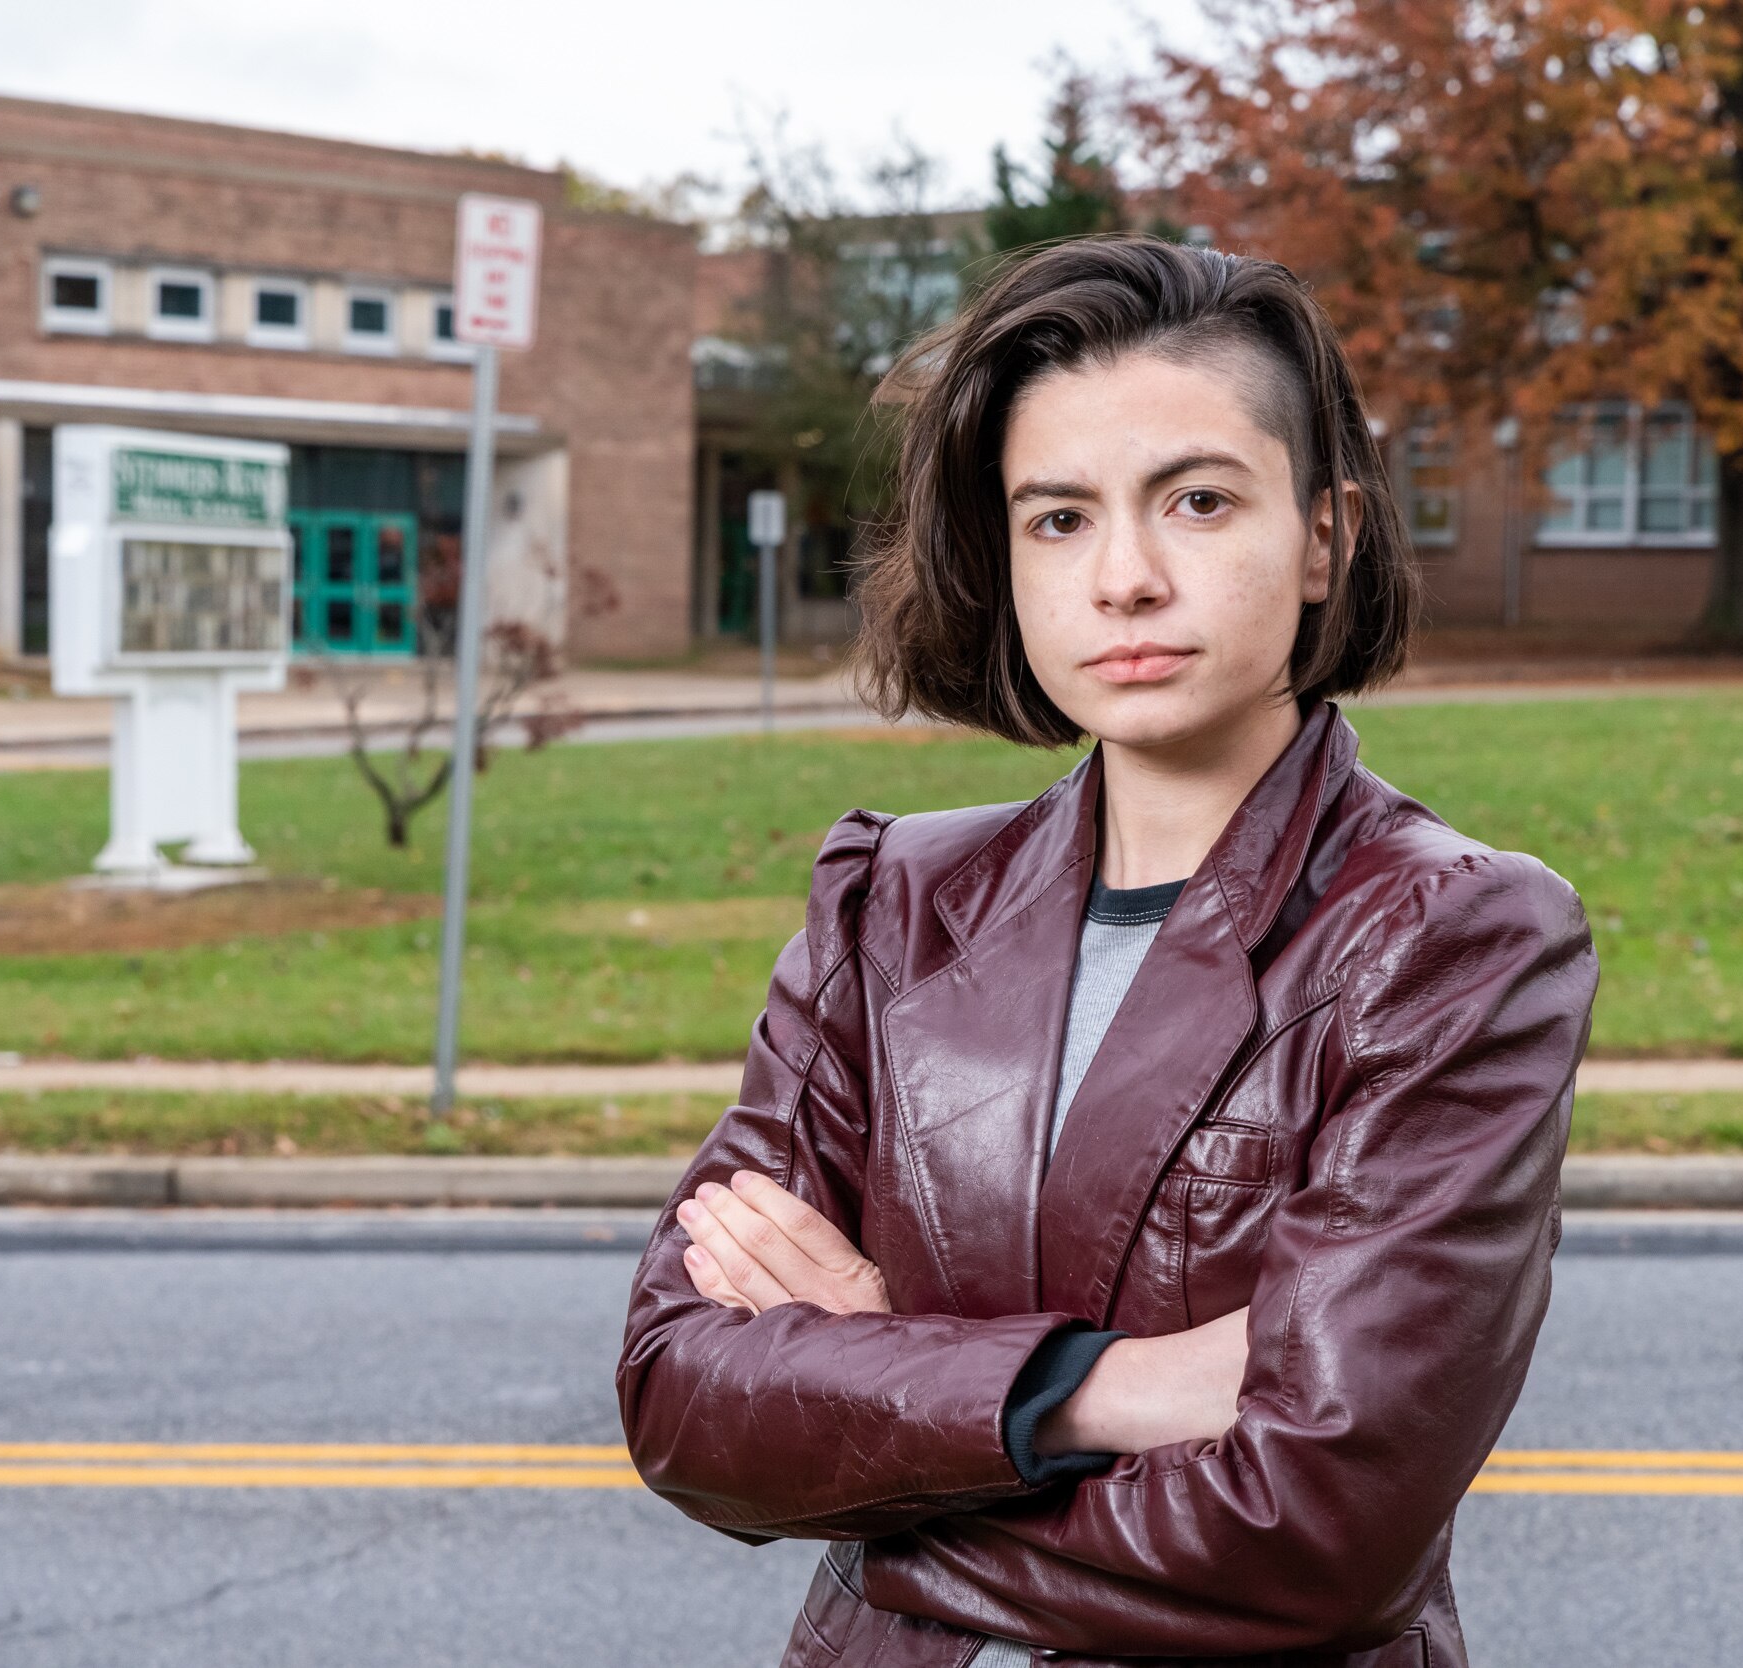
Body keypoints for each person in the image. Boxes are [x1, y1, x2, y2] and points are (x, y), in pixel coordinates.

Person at [616, 235, 1598, 1668]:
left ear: (1323, 535)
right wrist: (1093, 1392)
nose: (1124, 578)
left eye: (1197, 502)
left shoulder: (1446, 937)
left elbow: (1320, 1534)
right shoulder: (888, 902)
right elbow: (678, 1395)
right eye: (1059, 519)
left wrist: (880, 1429)